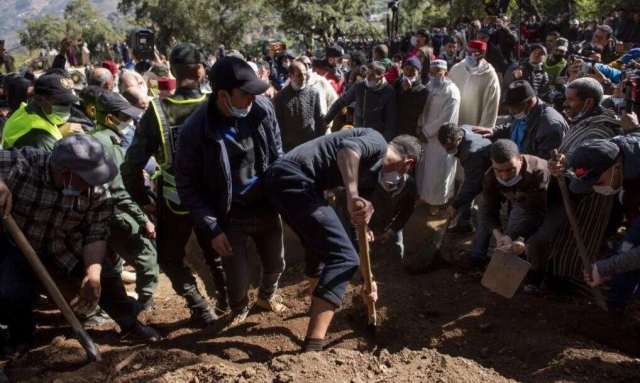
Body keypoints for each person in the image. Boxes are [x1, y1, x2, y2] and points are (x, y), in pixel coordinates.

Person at [263, 129, 422, 352]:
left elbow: (356, 228)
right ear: (407, 165)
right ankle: (313, 348)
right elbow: (348, 150)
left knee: (318, 247)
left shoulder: (369, 172)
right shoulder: (377, 142)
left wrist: (369, 280)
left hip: (282, 180)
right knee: (345, 259)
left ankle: (315, 306)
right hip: (295, 179)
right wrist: (352, 195)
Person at [0, 135, 159, 357]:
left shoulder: (98, 191)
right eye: (89, 178)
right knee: (14, 291)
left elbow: (96, 232)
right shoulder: (21, 164)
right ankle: (20, 337)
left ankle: (130, 323)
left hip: (65, 241)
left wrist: (92, 274)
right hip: (15, 244)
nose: (96, 183)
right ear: (66, 173)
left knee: (106, 279)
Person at [175, 56, 287, 328]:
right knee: (236, 281)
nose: (252, 99)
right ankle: (239, 309)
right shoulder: (194, 130)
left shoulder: (262, 109)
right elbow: (187, 185)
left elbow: (278, 154)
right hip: (229, 215)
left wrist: (284, 196)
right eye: (245, 93)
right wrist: (212, 228)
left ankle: (266, 297)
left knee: (276, 263)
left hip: (264, 205)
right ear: (223, 95)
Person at [122, 43, 228, 327]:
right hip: (214, 199)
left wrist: (143, 198)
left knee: (169, 260)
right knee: (216, 253)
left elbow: (131, 165)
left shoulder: (157, 112)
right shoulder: (215, 105)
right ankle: (227, 303)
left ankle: (200, 307)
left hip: (175, 201)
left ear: (172, 70)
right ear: (200, 70)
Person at [529, 78, 621, 289]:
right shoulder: (586, 119)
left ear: (588, 102)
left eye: (571, 99)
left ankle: (565, 281)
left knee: (574, 245)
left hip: (587, 199)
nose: (566, 103)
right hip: (566, 194)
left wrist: (567, 168)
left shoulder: (600, 131)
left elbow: (590, 167)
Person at [90, 92, 159, 310]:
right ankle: (146, 302)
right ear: (110, 118)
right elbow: (120, 191)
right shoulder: (109, 146)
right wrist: (143, 218)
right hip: (116, 212)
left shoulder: (95, 137)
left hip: (96, 214)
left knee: (112, 260)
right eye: (125, 118)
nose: (129, 123)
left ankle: (115, 300)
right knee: (147, 254)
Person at [562, 133, 640, 311]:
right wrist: (566, 161)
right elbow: (590, 147)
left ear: (618, 168)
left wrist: (605, 268)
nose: (595, 188)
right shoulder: (615, 149)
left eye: (599, 181)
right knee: (625, 252)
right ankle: (615, 313)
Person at [479, 140, 550, 266]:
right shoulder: (489, 177)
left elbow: (536, 215)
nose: (504, 176)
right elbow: (489, 210)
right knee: (510, 242)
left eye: (510, 170)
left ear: (520, 159)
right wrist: (499, 235)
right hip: (522, 204)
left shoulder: (538, 172)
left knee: (538, 241)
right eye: (499, 171)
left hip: (552, 202)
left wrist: (513, 235)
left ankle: (536, 278)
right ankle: (517, 270)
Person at [438, 123, 492, 268]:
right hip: (478, 170)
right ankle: (464, 224)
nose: (446, 149)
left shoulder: (470, 152)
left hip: (493, 177)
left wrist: (455, 205)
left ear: (460, 138)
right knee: (464, 190)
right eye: (444, 146)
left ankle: (478, 257)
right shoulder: (462, 128)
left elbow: (474, 185)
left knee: (484, 214)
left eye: (449, 146)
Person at [474, 80, 567, 160]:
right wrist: (494, 131)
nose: (510, 112)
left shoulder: (549, 126)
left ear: (529, 103)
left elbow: (544, 165)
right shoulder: (524, 112)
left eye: (514, 107)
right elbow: (514, 128)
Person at [415, 60, 459, 207]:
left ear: (445, 73)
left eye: (437, 73)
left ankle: (438, 203)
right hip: (425, 136)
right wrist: (420, 125)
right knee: (426, 170)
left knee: (438, 171)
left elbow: (446, 118)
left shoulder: (451, 92)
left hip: (440, 139)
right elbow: (423, 108)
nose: (433, 76)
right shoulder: (430, 86)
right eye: (431, 73)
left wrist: (426, 132)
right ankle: (425, 197)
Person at [2, 73, 84, 150]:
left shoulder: (23, 111)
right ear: (39, 100)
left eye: (68, 103)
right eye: (61, 103)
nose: (67, 108)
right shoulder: (39, 137)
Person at [323, 62, 396, 141]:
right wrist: (326, 121)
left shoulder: (389, 92)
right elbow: (340, 102)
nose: (368, 77)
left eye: (372, 75)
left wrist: (384, 142)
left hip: (376, 137)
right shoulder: (359, 87)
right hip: (358, 133)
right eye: (367, 73)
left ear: (381, 77)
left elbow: (391, 122)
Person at [274, 61, 325, 152]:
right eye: (299, 75)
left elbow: (319, 120)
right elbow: (278, 123)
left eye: (305, 74)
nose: (303, 78)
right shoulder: (281, 97)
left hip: (310, 144)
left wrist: (319, 140)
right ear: (291, 76)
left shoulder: (313, 93)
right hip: (289, 147)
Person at [449, 40, 500, 128]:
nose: (469, 56)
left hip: (474, 128)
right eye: (467, 52)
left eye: (473, 54)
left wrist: (483, 130)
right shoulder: (456, 69)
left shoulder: (490, 76)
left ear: (482, 54)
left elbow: (491, 106)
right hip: (454, 123)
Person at [295, 56, 338, 122]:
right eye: (304, 64)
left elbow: (334, 100)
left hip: (322, 126)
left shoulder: (320, 81)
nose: (307, 67)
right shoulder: (291, 82)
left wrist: (328, 119)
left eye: (309, 64)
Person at [395, 57, 428, 137]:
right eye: (406, 69)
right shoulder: (398, 83)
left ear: (418, 72)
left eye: (413, 70)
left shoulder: (422, 90)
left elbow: (414, 111)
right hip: (396, 126)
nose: (408, 72)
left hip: (409, 130)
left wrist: (407, 92)